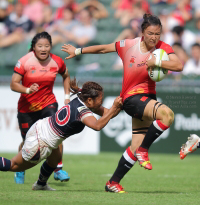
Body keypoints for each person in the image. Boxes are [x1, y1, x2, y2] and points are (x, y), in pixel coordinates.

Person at [61, 13, 183, 193]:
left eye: (157, 34)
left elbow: (178, 66)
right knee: (167, 115)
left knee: (134, 146)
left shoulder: (162, 48)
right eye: (150, 33)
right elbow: (103, 49)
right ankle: (144, 150)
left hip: (148, 98)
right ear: (142, 32)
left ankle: (113, 182)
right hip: (132, 98)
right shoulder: (129, 45)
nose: (154, 37)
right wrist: (78, 51)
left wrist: (156, 61)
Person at [0, 79, 122, 191]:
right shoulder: (82, 110)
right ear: (90, 100)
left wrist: (119, 106)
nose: (101, 103)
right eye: (100, 100)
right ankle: (40, 184)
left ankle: (40, 185)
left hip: (40, 127)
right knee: (14, 166)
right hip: (41, 142)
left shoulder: (82, 97)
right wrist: (114, 107)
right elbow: (97, 126)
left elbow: (108, 113)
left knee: (55, 159)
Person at [10, 31, 70, 184]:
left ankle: (58, 169)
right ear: (34, 48)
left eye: (47, 46)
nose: (43, 49)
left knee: (56, 133)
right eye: (40, 46)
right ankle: (19, 169)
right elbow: (13, 84)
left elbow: (66, 75)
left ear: (51, 46)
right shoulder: (24, 62)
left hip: (48, 103)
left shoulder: (57, 61)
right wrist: (27, 90)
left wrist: (67, 96)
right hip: (26, 108)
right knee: (27, 142)